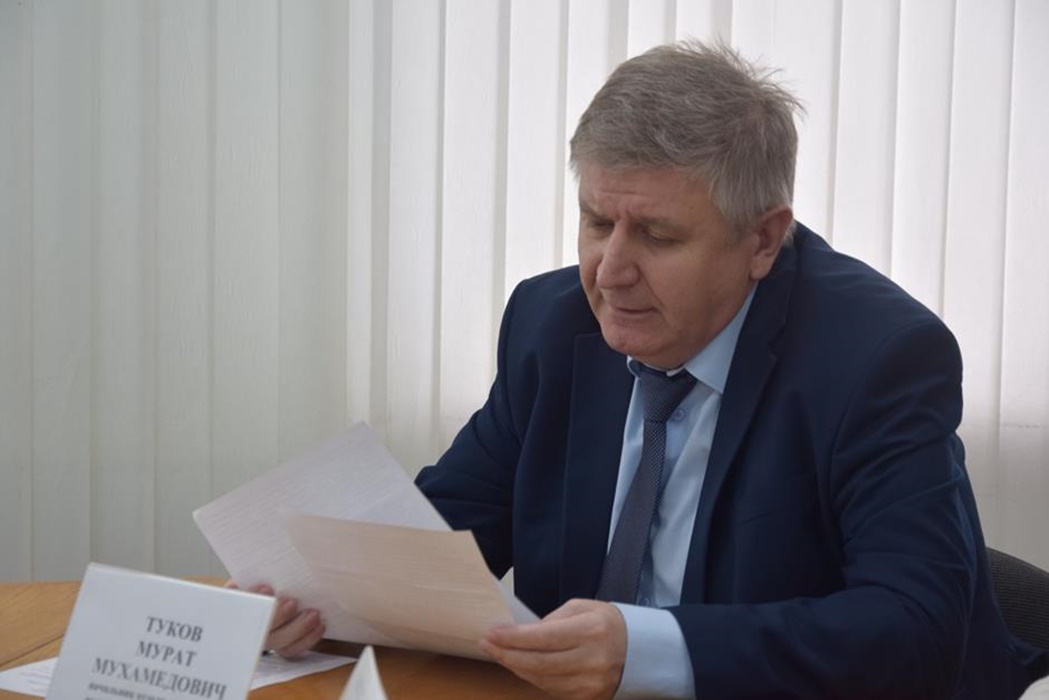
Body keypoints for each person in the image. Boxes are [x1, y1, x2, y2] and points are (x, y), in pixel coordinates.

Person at [260, 40, 1048, 698]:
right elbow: (445, 533)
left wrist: (652, 649)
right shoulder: (551, 324)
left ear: (762, 239)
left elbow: (914, 628)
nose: (609, 272)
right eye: (595, 222)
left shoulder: (876, 358)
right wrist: (311, 596)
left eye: (658, 236)